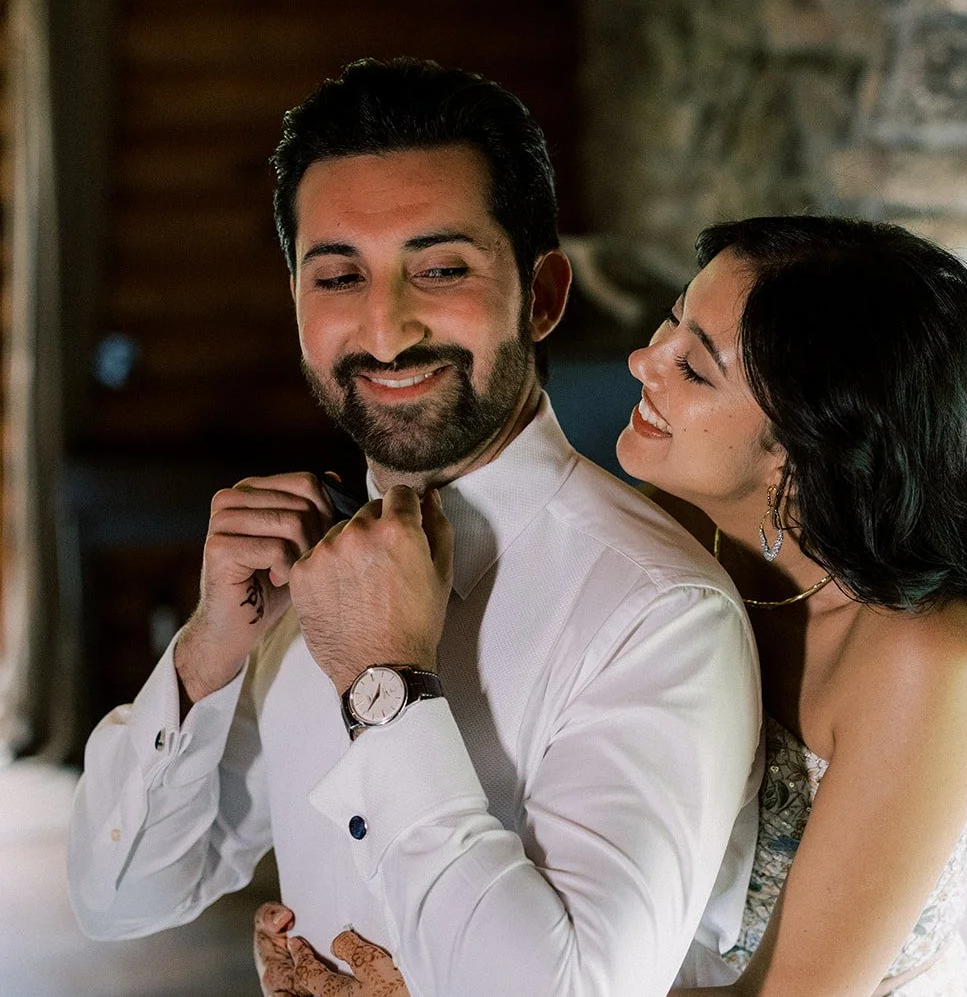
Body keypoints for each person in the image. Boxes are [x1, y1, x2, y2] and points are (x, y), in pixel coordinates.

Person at [67, 58, 762, 997]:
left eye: (440, 270)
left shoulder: (659, 611)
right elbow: (119, 897)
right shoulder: (301, 574)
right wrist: (205, 655)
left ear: (544, 295)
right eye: (338, 276)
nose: (386, 330)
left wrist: (382, 682)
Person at [269, 214, 967, 997]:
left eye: (693, 368)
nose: (641, 361)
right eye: (668, 325)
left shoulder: (920, 654)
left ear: (803, 451)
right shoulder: (664, 530)